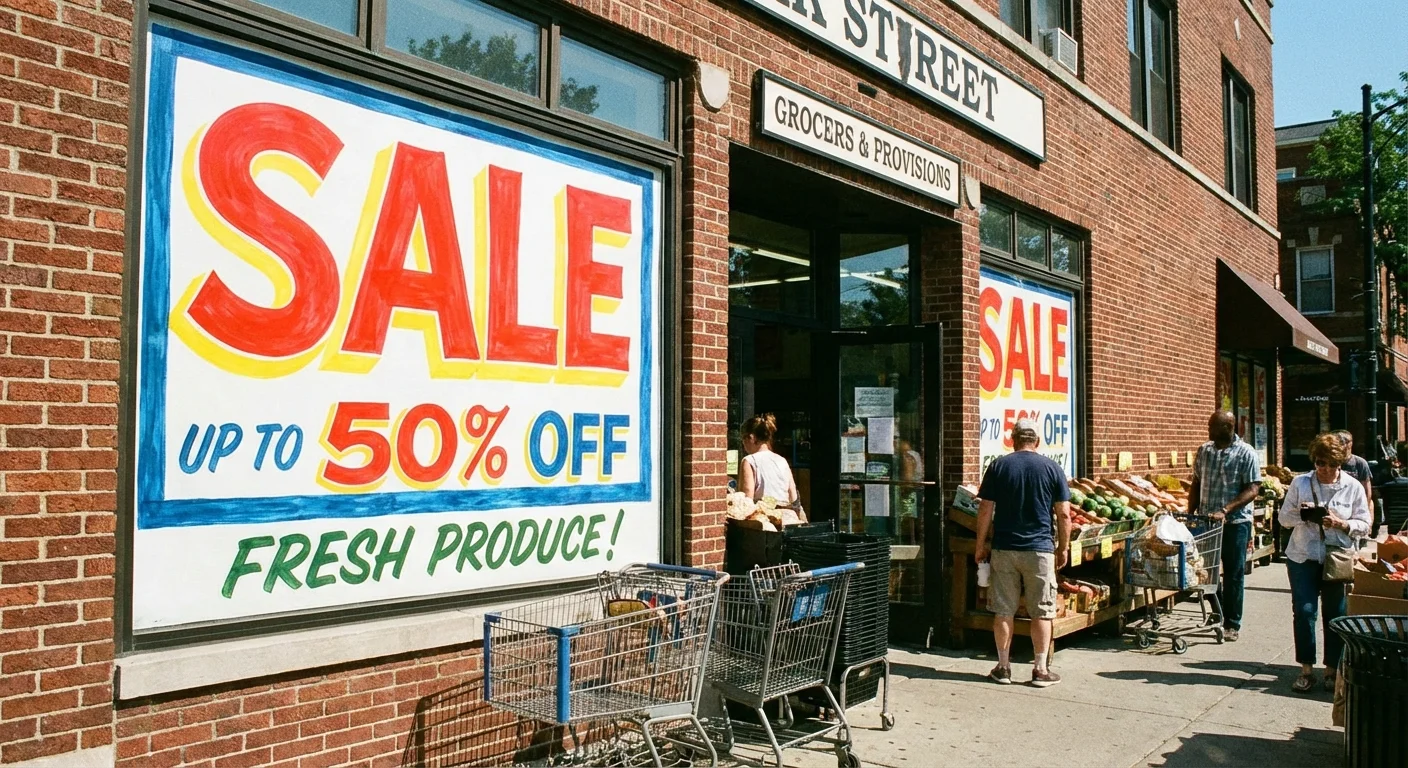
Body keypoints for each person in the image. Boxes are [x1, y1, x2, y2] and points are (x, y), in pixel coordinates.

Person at [974, 419, 1071, 688]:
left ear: (1013, 440)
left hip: (1005, 548)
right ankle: (1040, 669)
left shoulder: (999, 466)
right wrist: (1063, 547)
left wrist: (980, 544)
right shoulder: (1052, 468)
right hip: (1040, 550)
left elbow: (985, 510)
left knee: (1003, 610)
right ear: (1037, 441)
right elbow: (1063, 514)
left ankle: (1003, 667)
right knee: (1042, 611)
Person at [1278, 433, 1371, 693]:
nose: (1326, 470)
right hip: (1303, 555)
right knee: (1305, 611)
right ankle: (1306, 670)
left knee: (1335, 614)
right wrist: (1303, 515)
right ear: (1314, 461)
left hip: (1337, 559)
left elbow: (1365, 525)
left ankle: (1331, 670)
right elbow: (1284, 519)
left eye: (1332, 465)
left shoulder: (1352, 486)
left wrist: (1342, 524)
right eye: (1320, 463)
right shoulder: (1300, 483)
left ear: (1340, 464)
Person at [1187, 411, 1261, 643]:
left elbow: (1253, 489)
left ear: (1228, 427)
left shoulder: (1245, 452)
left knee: (1233, 573)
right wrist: (1190, 513)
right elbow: (1196, 482)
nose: (1208, 429)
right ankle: (1217, 610)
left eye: (1213, 425)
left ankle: (1232, 622)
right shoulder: (1205, 451)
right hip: (1206, 521)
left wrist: (1226, 510)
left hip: (1235, 523)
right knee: (1205, 571)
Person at [738, 414, 800, 509]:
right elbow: (794, 497)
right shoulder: (782, 460)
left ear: (751, 437)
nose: (743, 444)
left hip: (763, 518)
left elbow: (747, 501)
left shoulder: (749, 461)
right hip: (787, 517)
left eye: (743, 439)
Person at [1332, 430, 1378, 538]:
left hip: (1355, 502)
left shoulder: (1359, 463)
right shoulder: (1331, 462)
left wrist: (1362, 511)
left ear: (1350, 444)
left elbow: (1367, 490)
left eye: (1343, 442)